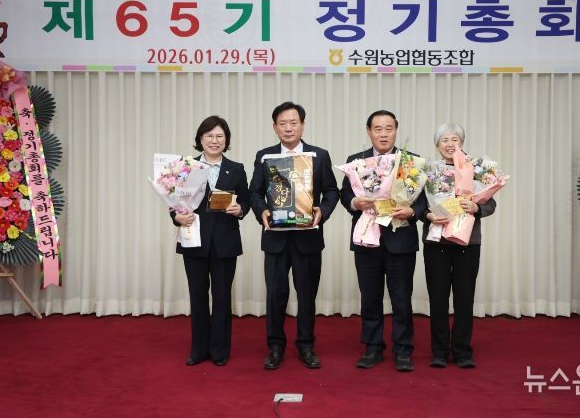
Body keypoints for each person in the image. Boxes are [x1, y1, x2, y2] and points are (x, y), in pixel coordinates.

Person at [249, 101, 339, 370]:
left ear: (302, 125)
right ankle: (275, 346)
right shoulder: (265, 156)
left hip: (308, 238)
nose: (288, 128)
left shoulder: (319, 155)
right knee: (276, 294)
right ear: (274, 127)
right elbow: (255, 192)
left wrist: (323, 211)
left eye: (293, 123)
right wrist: (262, 211)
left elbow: (332, 191)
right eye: (282, 123)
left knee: (307, 295)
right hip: (275, 238)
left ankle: (306, 345)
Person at [340, 110, 427, 372]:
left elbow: (423, 200)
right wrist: (355, 202)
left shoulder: (410, 162)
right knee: (370, 297)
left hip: (400, 238)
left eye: (388, 128)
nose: (383, 134)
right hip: (367, 238)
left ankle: (403, 350)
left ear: (396, 130)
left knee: (401, 298)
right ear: (368, 131)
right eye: (377, 129)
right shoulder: (356, 161)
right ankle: (373, 347)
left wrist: (412, 211)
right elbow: (345, 195)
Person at [171, 115, 250, 366]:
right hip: (193, 240)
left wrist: (240, 209)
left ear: (226, 140)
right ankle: (198, 349)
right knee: (197, 297)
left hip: (225, 242)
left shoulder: (236, 168)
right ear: (200, 139)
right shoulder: (186, 167)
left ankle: (219, 350)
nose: (214, 140)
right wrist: (176, 217)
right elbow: (174, 201)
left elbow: (246, 199)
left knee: (222, 298)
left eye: (219, 136)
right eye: (209, 136)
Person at [421, 123, 496, 369]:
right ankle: (439, 351)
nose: (450, 144)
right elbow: (418, 205)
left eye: (455, 139)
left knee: (465, 298)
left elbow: (490, 203)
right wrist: (428, 215)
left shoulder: (475, 169)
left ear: (462, 143)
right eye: (444, 140)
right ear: (437, 145)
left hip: (468, 242)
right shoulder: (427, 170)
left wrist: (476, 207)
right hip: (437, 241)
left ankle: (463, 350)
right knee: (438, 298)